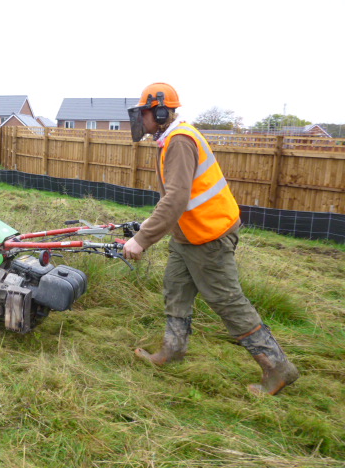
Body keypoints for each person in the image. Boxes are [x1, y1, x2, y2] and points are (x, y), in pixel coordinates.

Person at [123, 82, 299, 395]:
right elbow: (175, 199)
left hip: (209, 235)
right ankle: (172, 351)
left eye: (144, 112)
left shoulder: (179, 142)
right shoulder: (171, 140)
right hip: (187, 236)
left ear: (161, 112)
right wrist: (151, 223)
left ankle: (277, 367)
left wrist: (141, 239)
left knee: (227, 301)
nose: (140, 119)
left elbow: (177, 198)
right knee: (176, 288)